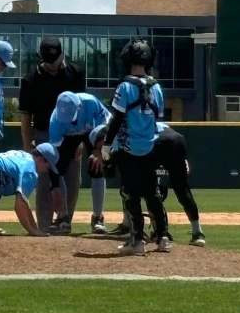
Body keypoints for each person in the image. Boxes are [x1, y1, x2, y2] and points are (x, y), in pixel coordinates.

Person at [93, 39, 168, 256]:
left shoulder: (125, 86)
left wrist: (106, 145)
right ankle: (162, 236)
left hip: (129, 147)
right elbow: (158, 118)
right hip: (152, 146)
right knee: (152, 192)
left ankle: (136, 241)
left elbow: (116, 119)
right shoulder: (157, 87)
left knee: (130, 193)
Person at [18, 37, 85, 231]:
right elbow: (25, 115)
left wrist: (81, 140)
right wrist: (26, 144)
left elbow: (81, 108)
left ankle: (65, 221)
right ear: (41, 58)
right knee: (45, 181)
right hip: (43, 134)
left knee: (72, 179)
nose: (53, 66)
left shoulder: (76, 73)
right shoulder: (30, 79)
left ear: (62, 54)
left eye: (55, 62)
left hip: (71, 134)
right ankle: (45, 225)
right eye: (48, 62)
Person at [48, 91, 110, 233]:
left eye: (70, 116)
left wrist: (99, 152)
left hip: (94, 131)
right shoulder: (55, 122)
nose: (68, 120)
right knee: (57, 170)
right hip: (68, 137)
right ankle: (63, 217)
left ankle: (98, 218)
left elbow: (108, 128)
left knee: (98, 168)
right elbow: (55, 155)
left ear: (79, 107)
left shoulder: (91, 102)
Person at [0, 144, 61, 237]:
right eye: (48, 166)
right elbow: (19, 206)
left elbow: (24, 203)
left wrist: (35, 228)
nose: (47, 170)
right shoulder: (30, 172)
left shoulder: (25, 156)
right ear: (41, 159)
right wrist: (32, 230)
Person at [147, 124, 206, 246]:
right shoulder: (161, 125)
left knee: (151, 189)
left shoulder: (138, 124)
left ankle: (160, 232)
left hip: (155, 143)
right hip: (178, 141)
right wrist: (183, 160)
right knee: (182, 189)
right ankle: (197, 234)